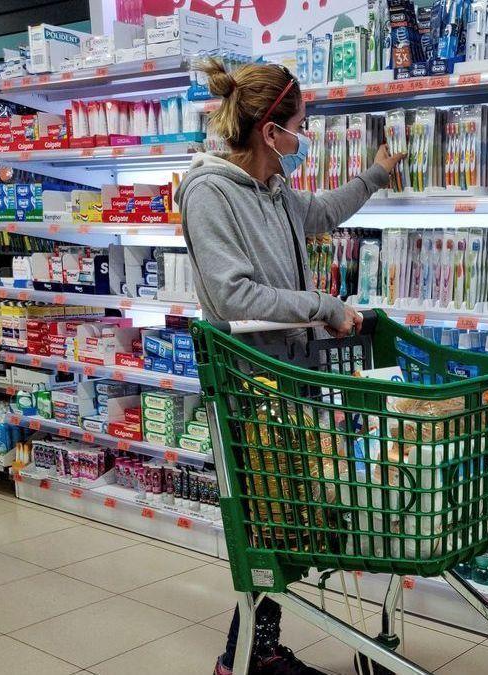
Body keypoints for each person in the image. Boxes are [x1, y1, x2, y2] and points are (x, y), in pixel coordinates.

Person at [176, 58, 403, 675]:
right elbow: (233, 297)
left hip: (289, 378)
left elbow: (321, 213)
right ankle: (245, 655)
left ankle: (253, 650)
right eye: (300, 126)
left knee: (284, 522)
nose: (305, 140)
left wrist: (375, 177)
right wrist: (324, 306)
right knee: (270, 521)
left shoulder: (272, 189)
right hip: (249, 385)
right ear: (270, 128)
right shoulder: (209, 194)